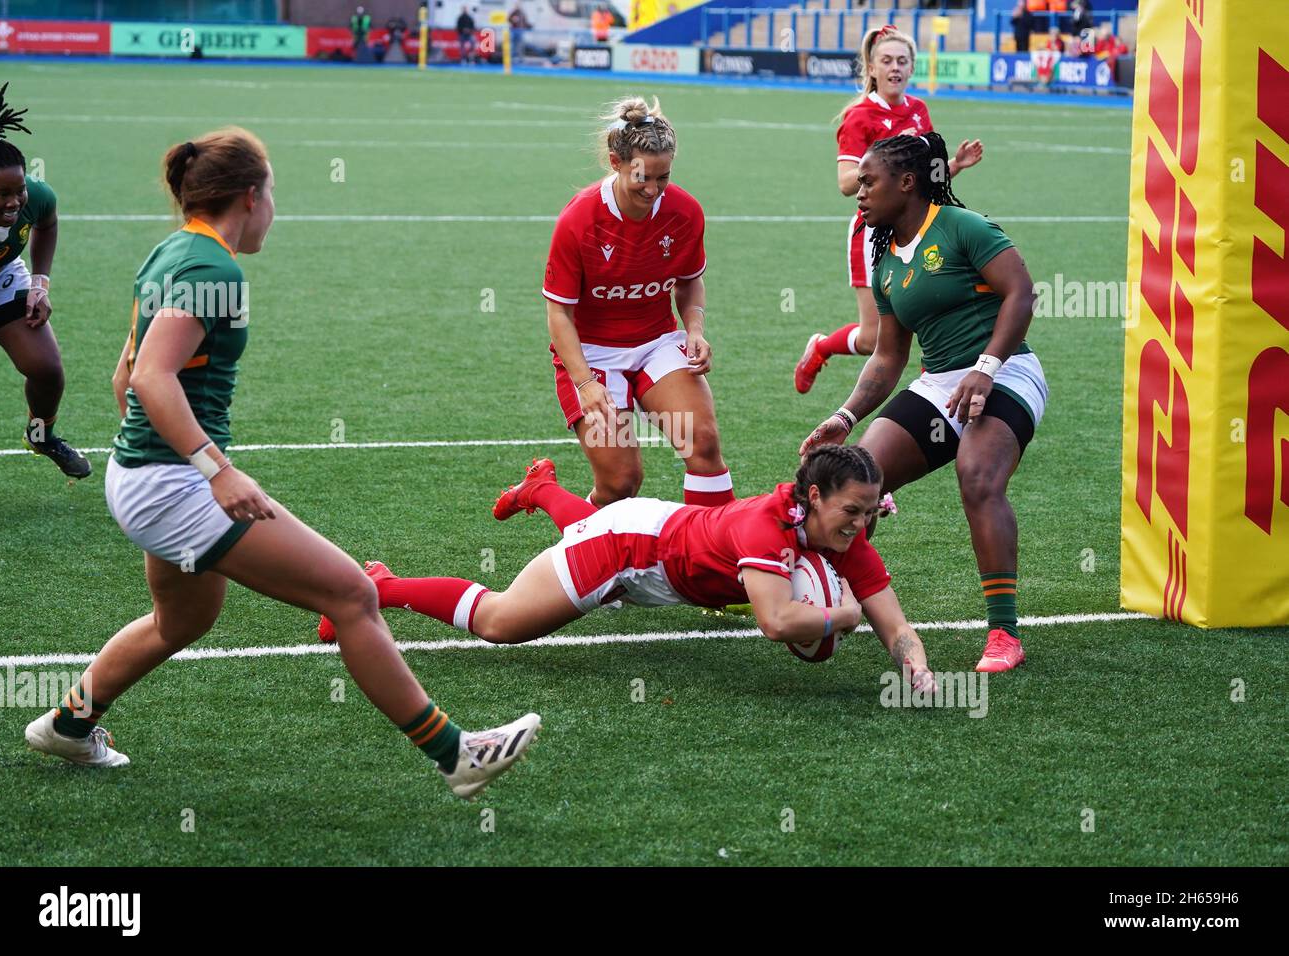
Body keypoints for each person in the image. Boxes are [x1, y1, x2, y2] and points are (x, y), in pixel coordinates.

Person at [24, 127, 538, 800]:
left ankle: (68, 724)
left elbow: (125, 375)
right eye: (273, 193)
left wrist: (159, 458)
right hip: (174, 486)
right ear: (249, 196)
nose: (274, 208)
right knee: (352, 594)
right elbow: (150, 375)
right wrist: (214, 469)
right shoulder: (214, 269)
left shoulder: (172, 251)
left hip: (144, 476)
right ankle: (457, 754)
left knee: (182, 620)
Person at [322, 446, 939, 694]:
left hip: (658, 537)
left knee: (582, 535)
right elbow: (778, 622)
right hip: (628, 549)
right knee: (502, 623)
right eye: (852, 511)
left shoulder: (840, 529)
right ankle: (381, 585)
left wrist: (915, 664)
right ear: (811, 499)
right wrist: (841, 612)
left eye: (867, 511)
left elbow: (890, 612)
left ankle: (541, 490)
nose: (861, 524)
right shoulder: (765, 530)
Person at [799, 132, 1047, 675]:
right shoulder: (884, 256)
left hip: (1005, 371)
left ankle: (1005, 632)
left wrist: (986, 369)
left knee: (977, 475)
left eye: (869, 182)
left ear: (906, 183)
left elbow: (1022, 293)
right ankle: (840, 597)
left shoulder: (963, 227)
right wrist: (844, 417)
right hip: (940, 384)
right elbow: (888, 358)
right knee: (857, 475)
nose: (858, 192)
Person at [513, 96, 732, 517]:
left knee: (701, 443)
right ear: (615, 162)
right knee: (621, 483)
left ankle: (717, 561)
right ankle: (546, 495)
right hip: (592, 356)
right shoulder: (579, 221)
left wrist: (695, 329)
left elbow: (689, 282)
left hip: (656, 345)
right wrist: (585, 383)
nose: (653, 189)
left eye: (663, 178)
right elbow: (559, 313)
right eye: (642, 177)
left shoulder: (685, 213)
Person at [793, 25, 983, 395]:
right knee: (871, 339)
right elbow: (846, 183)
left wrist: (954, 166)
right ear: (872, 67)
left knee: (935, 310)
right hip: (874, 233)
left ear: (912, 68)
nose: (895, 67)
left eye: (902, 61)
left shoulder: (918, 110)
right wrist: (879, 165)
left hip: (920, 229)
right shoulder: (859, 117)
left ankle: (941, 391)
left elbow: (928, 176)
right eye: (887, 61)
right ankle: (820, 347)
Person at [0, 84, 89, 479]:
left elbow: (47, 223)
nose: (15, 201)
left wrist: (39, 285)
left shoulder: (36, 197)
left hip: (0, 275)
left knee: (46, 369)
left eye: (19, 190)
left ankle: (40, 435)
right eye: (1, 194)